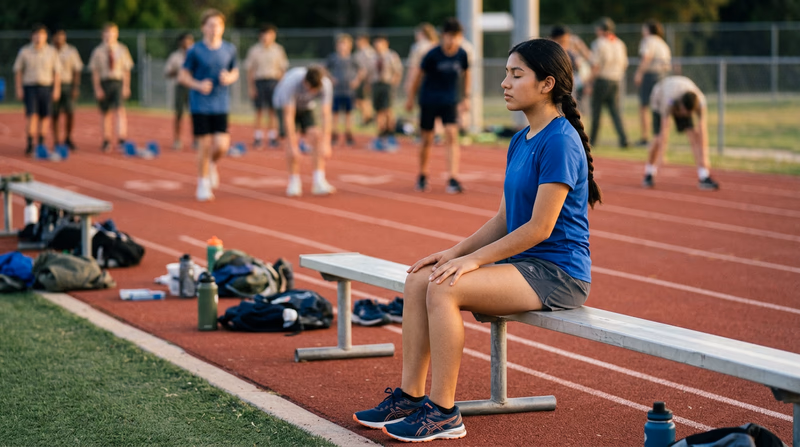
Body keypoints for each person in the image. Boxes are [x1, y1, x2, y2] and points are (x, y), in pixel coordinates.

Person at [354, 38, 597, 443]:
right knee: (420, 277)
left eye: (516, 75)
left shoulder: (559, 140)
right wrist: (454, 252)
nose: (504, 82)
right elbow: (504, 219)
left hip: (558, 272)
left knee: (445, 288)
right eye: (505, 73)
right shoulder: (521, 140)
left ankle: (444, 412)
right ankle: (411, 399)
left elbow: (539, 228)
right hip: (526, 265)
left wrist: (474, 263)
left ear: (546, 84)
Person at [179, 9, 239, 202]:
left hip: (221, 103)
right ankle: (203, 183)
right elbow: (183, 75)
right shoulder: (195, 50)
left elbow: (235, 70)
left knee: (222, 145)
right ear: (203, 27)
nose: (215, 29)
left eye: (219, 25)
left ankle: (211, 164)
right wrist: (198, 84)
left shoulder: (229, 49)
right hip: (200, 104)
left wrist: (229, 77)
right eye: (211, 25)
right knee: (204, 145)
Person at [405, 18, 470, 194]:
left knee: (451, 135)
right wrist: (410, 98)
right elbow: (418, 76)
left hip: (450, 101)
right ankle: (423, 174)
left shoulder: (462, 54)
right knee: (427, 138)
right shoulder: (432, 54)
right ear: (443, 36)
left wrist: (466, 97)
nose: (453, 40)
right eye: (450, 36)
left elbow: (466, 74)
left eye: (456, 37)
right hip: (429, 100)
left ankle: (453, 177)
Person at [643, 75, 719, 191]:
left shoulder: (700, 102)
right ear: (681, 105)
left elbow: (702, 129)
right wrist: (662, 155)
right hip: (659, 98)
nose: (684, 116)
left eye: (688, 114)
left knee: (694, 136)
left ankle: (704, 175)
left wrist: (705, 157)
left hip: (680, 93)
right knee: (658, 138)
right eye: (683, 112)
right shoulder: (669, 100)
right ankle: (649, 172)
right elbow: (665, 127)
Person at [272, 65, 335, 197]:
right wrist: (294, 145)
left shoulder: (326, 84)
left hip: (306, 106)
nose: (312, 92)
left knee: (316, 136)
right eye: (311, 89)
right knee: (291, 143)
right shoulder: (291, 83)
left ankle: (319, 181)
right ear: (305, 82)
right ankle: (294, 182)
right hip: (284, 106)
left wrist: (326, 142)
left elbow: (326, 113)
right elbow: (288, 116)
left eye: (315, 90)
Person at [13, 24, 61, 156]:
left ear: (46, 37)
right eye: (36, 34)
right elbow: (18, 71)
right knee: (32, 115)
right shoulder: (25, 51)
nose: (39, 37)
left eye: (41, 34)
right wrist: (18, 88)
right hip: (30, 87)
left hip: (46, 86)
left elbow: (56, 72)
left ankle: (41, 142)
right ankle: (29, 142)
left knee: (45, 116)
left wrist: (56, 89)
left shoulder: (52, 51)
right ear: (32, 36)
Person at [89, 22, 134, 153]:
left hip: (118, 82)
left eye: (112, 32)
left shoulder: (122, 49)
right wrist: (97, 88)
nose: (110, 35)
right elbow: (95, 72)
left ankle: (122, 139)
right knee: (105, 113)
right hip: (104, 82)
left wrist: (126, 86)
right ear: (103, 35)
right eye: (107, 33)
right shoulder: (97, 51)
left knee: (120, 110)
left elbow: (127, 70)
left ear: (117, 34)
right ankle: (106, 140)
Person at [245, 24, 288, 149]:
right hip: (259, 81)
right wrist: (251, 87)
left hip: (274, 82)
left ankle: (272, 137)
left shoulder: (278, 50)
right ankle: (258, 137)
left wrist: (281, 87)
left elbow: (282, 69)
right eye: (265, 34)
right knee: (259, 111)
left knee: (272, 111)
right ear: (260, 35)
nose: (267, 37)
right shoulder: (254, 50)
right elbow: (250, 70)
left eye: (270, 34)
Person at [588, 17, 629, 149]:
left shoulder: (599, 43)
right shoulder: (620, 43)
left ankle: (593, 140)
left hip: (602, 80)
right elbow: (624, 65)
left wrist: (589, 82)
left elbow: (596, 65)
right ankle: (624, 139)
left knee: (596, 112)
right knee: (615, 112)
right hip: (615, 80)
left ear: (601, 30)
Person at [634, 20, 672, 146]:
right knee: (660, 106)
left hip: (650, 75)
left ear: (648, 29)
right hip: (663, 75)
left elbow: (646, 57)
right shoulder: (662, 43)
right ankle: (661, 136)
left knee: (644, 106)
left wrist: (639, 73)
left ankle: (645, 138)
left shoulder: (648, 40)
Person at [325, 33, 363, 147]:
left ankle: (348, 134)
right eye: (341, 44)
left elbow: (361, 70)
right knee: (335, 114)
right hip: (336, 90)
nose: (343, 47)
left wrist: (356, 81)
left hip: (349, 91)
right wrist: (331, 78)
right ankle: (334, 134)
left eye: (345, 44)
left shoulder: (353, 58)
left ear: (350, 46)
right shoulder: (333, 57)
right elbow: (324, 69)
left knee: (348, 113)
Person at [369, 35, 403, 151]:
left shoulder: (391, 56)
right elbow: (368, 72)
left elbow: (398, 71)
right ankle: (380, 136)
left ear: (385, 44)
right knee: (378, 111)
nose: (377, 45)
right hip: (376, 85)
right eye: (376, 43)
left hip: (387, 85)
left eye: (380, 43)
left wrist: (393, 84)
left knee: (387, 110)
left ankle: (390, 135)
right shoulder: (372, 57)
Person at [51, 28, 83, 151]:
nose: (59, 38)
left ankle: (68, 138)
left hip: (67, 84)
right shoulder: (48, 50)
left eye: (61, 35)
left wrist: (75, 87)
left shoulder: (71, 51)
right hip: (53, 86)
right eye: (57, 36)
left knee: (70, 111)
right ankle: (56, 140)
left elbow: (77, 69)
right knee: (55, 113)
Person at [164, 32, 195, 151]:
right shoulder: (175, 56)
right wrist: (179, 71)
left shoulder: (196, 55)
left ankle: (196, 139)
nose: (187, 44)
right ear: (180, 43)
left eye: (190, 41)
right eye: (185, 41)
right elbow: (167, 72)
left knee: (195, 114)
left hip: (193, 87)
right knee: (179, 114)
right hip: (180, 87)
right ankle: (177, 140)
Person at [353, 34, 376, 126]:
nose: (356, 43)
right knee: (359, 101)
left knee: (364, 100)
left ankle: (367, 118)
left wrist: (367, 81)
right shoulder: (359, 52)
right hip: (360, 79)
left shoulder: (368, 52)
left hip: (365, 79)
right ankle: (367, 117)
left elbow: (368, 68)